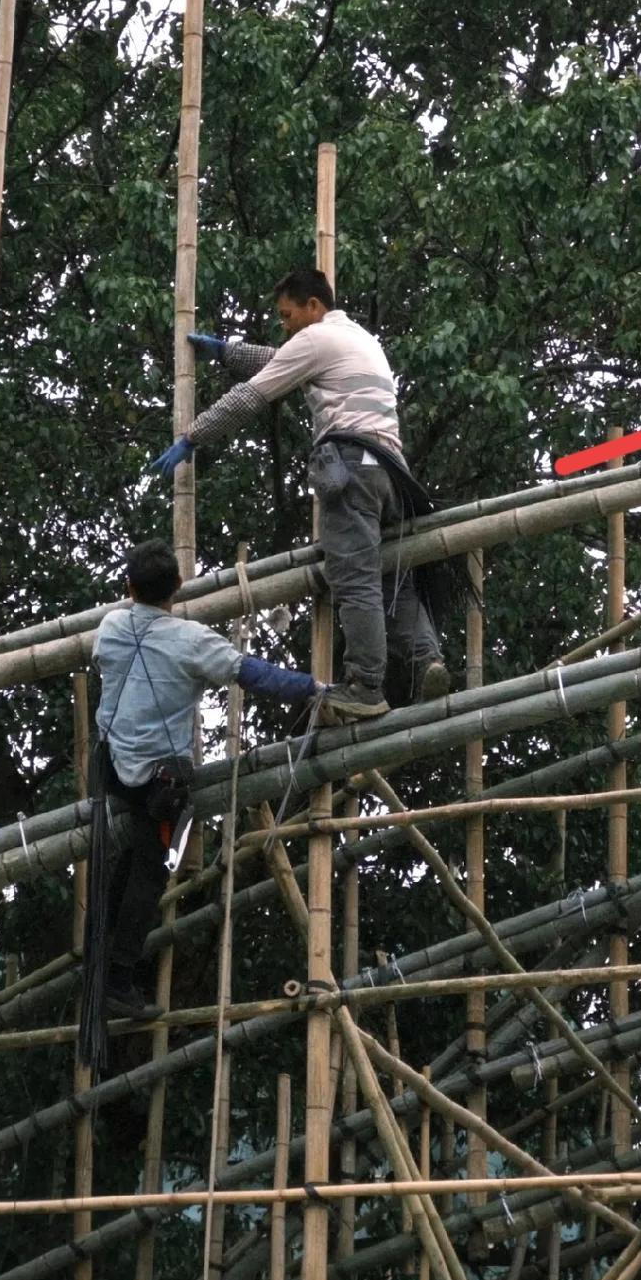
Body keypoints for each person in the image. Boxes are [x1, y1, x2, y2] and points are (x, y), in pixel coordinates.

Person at [149, 268, 450, 725]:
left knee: (354, 578)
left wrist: (191, 437)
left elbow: (253, 395)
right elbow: (281, 360)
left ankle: (366, 686)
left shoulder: (314, 341)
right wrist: (228, 352)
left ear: (314, 306)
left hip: (351, 469)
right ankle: (428, 659)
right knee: (396, 575)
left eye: (288, 315)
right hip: (391, 475)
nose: (284, 324)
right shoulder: (357, 338)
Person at [92, 537, 322, 1020]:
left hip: (111, 768)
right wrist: (313, 689)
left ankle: (97, 962)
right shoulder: (191, 640)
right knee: (148, 871)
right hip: (155, 784)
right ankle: (116, 979)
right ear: (177, 587)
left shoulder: (110, 626)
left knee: (127, 859)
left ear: (128, 585)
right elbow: (252, 674)